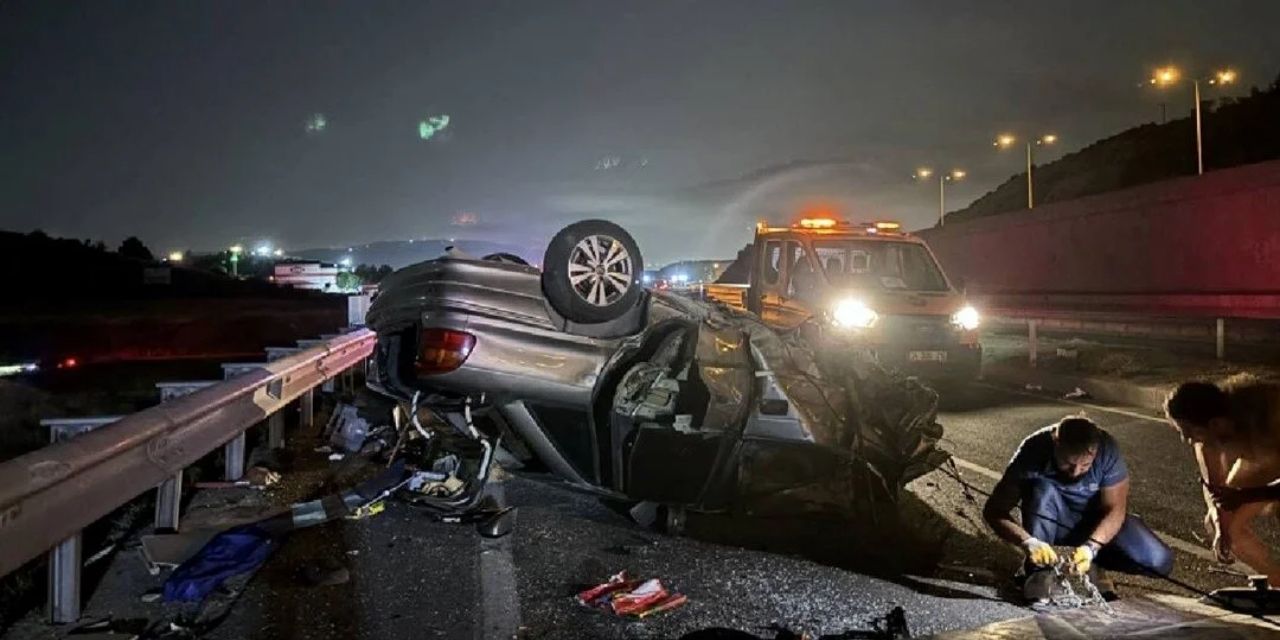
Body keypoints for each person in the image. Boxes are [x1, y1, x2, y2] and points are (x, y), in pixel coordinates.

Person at [982, 415, 1173, 601]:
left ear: (1095, 451)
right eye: (1068, 463)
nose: (1075, 472)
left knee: (1159, 560)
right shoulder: (1034, 449)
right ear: (1056, 443)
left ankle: (1095, 563)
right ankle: (1039, 571)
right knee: (1042, 487)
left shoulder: (1107, 449)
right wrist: (1027, 542)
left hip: (1093, 522)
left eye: (1085, 465)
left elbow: (1115, 509)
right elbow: (995, 510)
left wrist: (1091, 548)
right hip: (1051, 520)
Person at [1164, 374, 1280, 584]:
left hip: (1271, 448)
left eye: (1188, 432)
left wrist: (1252, 495)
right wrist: (1220, 527)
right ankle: (1276, 580)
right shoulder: (1206, 435)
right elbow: (1215, 490)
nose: (1187, 440)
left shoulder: (1272, 416)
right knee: (1227, 526)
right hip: (1266, 459)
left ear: (1216, 424)